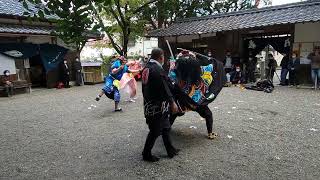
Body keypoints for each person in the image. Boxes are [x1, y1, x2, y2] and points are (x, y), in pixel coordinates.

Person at [141, 48, 180, 162]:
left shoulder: (147, 67)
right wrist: (172, 102)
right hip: (157, 106)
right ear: (161, 56)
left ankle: (170, 150)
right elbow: (165, 87)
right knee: (155, 131)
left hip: (151, 103)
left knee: (166, 127)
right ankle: (146, 154)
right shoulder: (157, 69)